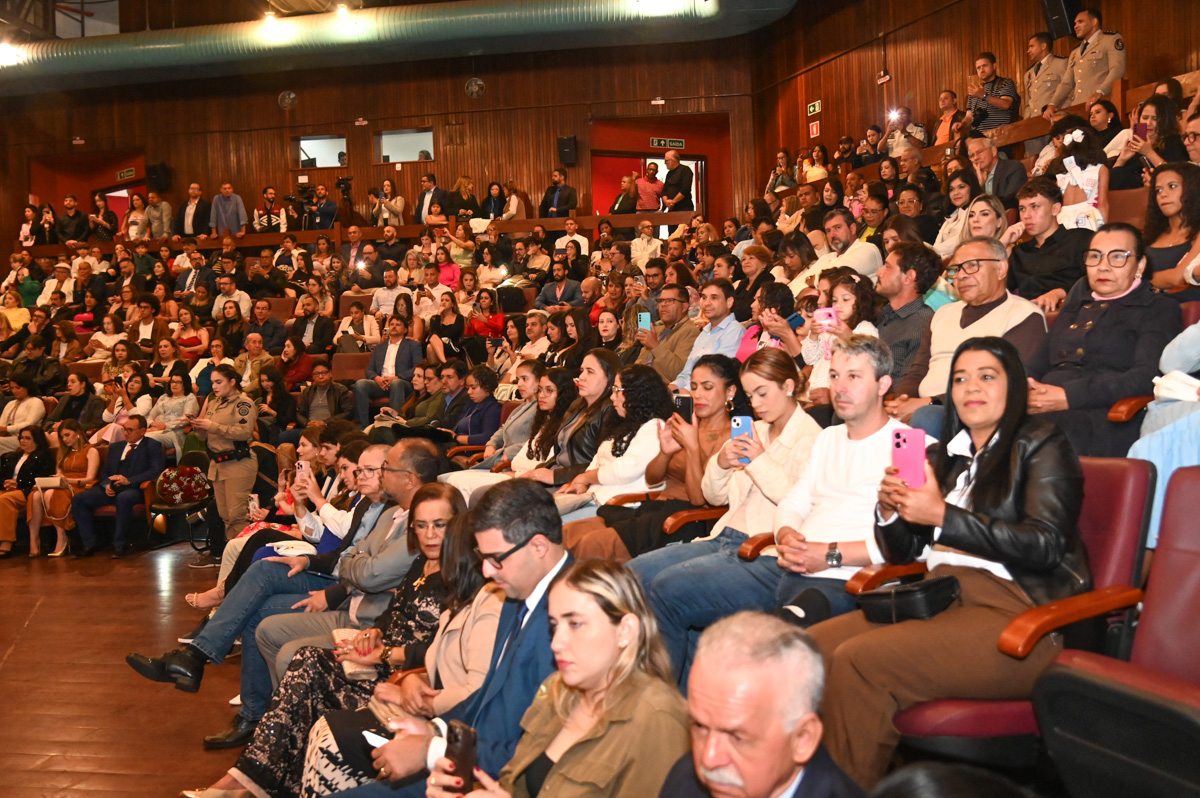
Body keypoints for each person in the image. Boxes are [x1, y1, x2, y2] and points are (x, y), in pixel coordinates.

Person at [809, 336, 1090, 790]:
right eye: (960, 378)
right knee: (809, 650)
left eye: (986, 376)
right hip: (942, 597)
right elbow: (903, 553)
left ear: (1014, 386)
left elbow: (1046, 544)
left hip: (1022, 616)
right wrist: (889, 511)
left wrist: (943, 516)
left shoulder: (1042, 443)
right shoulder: (941, 456)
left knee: (860, 663)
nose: (970, 387)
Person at [183, 482, 465, 798]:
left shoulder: (464, 576)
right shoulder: (421, 563)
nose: (429, 534)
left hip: (406, 680)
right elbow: (393, 610)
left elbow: (447, 650)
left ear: (459, 524)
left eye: (439, 525)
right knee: (307, 659)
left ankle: (245, 784)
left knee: (304, 675)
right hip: (379, 659)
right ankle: (248, 780)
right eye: (421, 525)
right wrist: (376, 631)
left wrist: (386, 654)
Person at [334, 478, 570, 798]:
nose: (486, 571)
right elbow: (488, 699)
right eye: (482, 556)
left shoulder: (573, 614)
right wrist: (436, 728)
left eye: (495, 558)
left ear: (539, 547)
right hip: (471, 753)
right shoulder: (520, 591)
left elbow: (542, 751)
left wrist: (432, 749)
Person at [629, 348, 825, 684]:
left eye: (763, 393)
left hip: (762, 549)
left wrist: (759, 460)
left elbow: (797, 502)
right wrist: (721, 464)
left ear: (789, 386)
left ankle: (662, 697)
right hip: (723, 536)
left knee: (667, 588)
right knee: (633, 575)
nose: (756, 404)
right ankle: (673, 685)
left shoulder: (813, 440)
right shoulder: (754, 430)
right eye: (751, 395)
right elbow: (713, 496)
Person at [660, 611, 865, 798]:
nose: (709, 759)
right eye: (699, 726)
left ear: (803, 739)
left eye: (736, 737)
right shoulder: (684, 783)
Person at [1024, 224, 1182, 457]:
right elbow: (1034, 366)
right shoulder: (1074, 307)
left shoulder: (1158, 309)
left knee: (1031, 438)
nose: (1103, 266)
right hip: (1045, 409)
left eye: (1117, 256)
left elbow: (1146, 377)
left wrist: (1069, 396)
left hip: (1104, 417)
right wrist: (1026, 391)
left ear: (1140, 265)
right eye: (1095, 256)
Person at [565, 354, 739, 563]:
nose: (698, 394)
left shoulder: (732, 438)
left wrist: (693, 448)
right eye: (693, 387)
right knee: (568, 532)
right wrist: (665, 452)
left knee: (592, 544)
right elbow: (653, 479)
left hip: (687, 519)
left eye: (707, 387)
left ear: (730, 391)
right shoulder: (685, 426)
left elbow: (699, 500)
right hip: (655, 508)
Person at [887, 238, 1046, 435]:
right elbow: (918, 371)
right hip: (923, 410)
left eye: (972, 265)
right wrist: (901, 402)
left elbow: (1010, 385)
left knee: (926, 417)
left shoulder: (1023, 315)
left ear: (1001, 269)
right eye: (955, 269)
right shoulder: (943, 314)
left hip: (977, 414)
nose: (961, 276)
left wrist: (929, 402)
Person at [70, 414, 165, 558]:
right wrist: (107, 485)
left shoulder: (152, 446)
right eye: (124, 429)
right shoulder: (115, 447)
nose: (126, 433)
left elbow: (154, 471)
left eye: (130, 430)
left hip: (136, 489)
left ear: (142, 431)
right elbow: (105, 473)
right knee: (79, 499)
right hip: (112, 489)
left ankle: (119, 544)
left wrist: (129, 481)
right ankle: (90, 543)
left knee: (124, 498)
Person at [192, 364, 259, 553]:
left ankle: (245, 556)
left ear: (232, 382)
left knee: (237, 514)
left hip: (238, 462)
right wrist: (198, 426)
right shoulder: (214, 403)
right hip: (218, 464)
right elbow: (203, 437)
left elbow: (244, 432)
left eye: (219, 382)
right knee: (225, 515)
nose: (214, 386)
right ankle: (234, 555)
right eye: (212, 382)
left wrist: (212, 426)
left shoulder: (243, 404)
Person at [1007, 178, 1092, 309]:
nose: (1026, 215)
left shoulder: (1080, 239)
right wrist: (1002, 243)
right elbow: (992, 291)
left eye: (1035, 206)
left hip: (1070, 313)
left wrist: (1062, 292)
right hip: (1027, 316)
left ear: (1055, 209)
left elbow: (1099, 278)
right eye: (1022, 209)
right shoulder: (1020, 252)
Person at [30, 419, 99, 558]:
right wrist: (57, 479)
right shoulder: (64, 452)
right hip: (62, 485)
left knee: (50, 494)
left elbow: (90, 478)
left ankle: (61, 537)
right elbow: (59, 473)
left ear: (78, 433)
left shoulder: (91, 451)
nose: (65, 439)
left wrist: (69, 480)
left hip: (79, 486)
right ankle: (34, 540)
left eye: (67, 435)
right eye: (62, 437)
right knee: (36, 495)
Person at [875, 243, 939, 382]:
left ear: (909, 277)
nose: (878, 272)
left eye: (887, 266)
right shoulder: (880, 314)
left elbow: (908, 386)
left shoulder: (923, 326)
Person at [1044, 7, 1127, 116]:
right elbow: (1066, 83)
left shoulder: (1110, 39)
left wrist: (1100, 92)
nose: (1075, 26)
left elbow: (1117, 69)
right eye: (1075, 23)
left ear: (1094, 22)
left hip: (1101, 103)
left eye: (1080, 22)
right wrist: (1052, 104)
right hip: (1078, 107)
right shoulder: (1075, 52)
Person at [670, 280, 744, 391]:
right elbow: (686, 374)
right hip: (691, 391)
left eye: (714, 298)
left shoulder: (734, 330)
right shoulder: (704, 332)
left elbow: (719, 374)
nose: (706, 303)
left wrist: (685, 391)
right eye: (704, 298)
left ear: (729, 302)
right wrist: (672, 387)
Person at [1142, 163, 1200, 300]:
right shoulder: (1151, 234)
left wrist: (1135, 278)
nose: (1163, 194)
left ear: (1192, 189)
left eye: (1172, 186)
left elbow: (1178, 277)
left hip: (1181, 305)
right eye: (1158, 190)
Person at [1111, 95, 1188, 190]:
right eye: (1145, 117)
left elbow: (1176, 177)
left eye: (1155, 119)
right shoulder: (1135, 145)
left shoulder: (1175, 143)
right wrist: (1121, 159)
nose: (1148, 123)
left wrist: (1149, 153)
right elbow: (1108, 183)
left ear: (1166, 121)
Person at [0, 425, 55, 557]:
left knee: (4, 500)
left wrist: (18, 483)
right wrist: (5, 483)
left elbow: (43, 477)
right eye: (21, 438)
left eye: (27, 438)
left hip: (29, 490)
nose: (23, 441)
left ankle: (6, 543)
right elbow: (2, 475)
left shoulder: (44, 456)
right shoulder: (13, 456)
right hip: (9, 489)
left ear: (37, 440)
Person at [960, 52, 1019, 133]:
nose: (981, 70)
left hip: (1002, 134)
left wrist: (983, 96)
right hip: (978, 136)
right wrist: (961, 124)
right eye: (978, 68)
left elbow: (1006, 104)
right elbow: (969, 117)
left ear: (994, 66)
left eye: (985, 66)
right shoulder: (974, 89)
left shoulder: (1005, 83)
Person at [966, 135, 1027, 210]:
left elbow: (1010, 202)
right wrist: (980, 185)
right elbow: (969, 207)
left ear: (993, 151)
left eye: (980, 152)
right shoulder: (974, 178)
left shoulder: (1013, 168)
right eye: (972, 156)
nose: (976, 158)